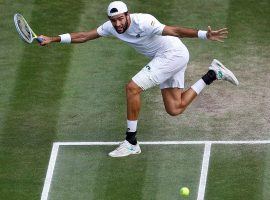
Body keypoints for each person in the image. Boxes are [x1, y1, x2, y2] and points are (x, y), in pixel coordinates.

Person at [39, 1, 239, 157]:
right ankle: (213, 73)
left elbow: (175, 31)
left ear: (127, 15)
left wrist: (205, 34)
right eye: (113, 20)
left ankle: (131, 142)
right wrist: (53, 38)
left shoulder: (144, 21)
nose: (117, 24)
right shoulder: (110, 27)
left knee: (132, 88)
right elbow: (83, 36)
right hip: (167, 57)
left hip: (172, 54)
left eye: (120, 19)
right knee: (175, 108)